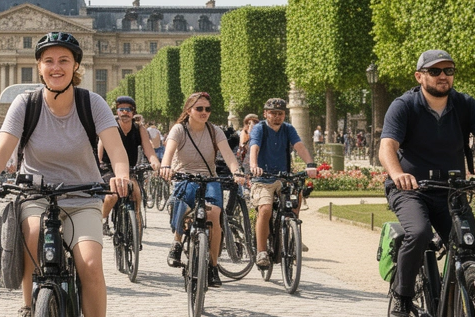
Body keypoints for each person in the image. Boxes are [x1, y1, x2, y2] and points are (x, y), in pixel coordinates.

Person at [0, 32, 130, 317]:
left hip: (82, 196)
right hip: (37, 193)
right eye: (49, 61)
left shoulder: (92, 104)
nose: (56, 67)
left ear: (75, 66)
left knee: (90, 265)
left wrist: (121, 175)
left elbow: (115, 149)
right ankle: (29, 309)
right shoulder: (25, 104)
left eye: (63, 61)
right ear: (39, 67)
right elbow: (4, 147)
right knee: (32, 233)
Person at [380, 50, 475, 317]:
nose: (443, 76)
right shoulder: (404, 105)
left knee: (470, 252)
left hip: (452, 190)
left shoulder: (465, 104)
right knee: (418, 232)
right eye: (435, 71)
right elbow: (387, 146)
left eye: (449, 70)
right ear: (419, 76)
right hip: (411, 188)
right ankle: (401, 297)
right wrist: (398, 174)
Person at [160, 92, 247, 287]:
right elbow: (169, 152)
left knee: (214, 215)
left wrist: (237, 172)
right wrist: (166, 167)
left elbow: (228, 155)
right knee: (183, 206)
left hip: (209, 178)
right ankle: (177, 242)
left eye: (207, 109)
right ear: (189, 110)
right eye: (199, 108)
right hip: (185, 176)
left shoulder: (214, 131)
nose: (204, 112)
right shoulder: (179, 129)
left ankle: (213, 266)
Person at [246, 98, 318, 268]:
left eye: (280, 113)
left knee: (296, 197)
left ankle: (293, 233)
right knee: (265, 209)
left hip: (283, 178)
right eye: (273, 113)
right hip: (263, 178)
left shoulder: (288, 128)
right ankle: (262, 251)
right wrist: (254, 166)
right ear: (265, 114)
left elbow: (299, 146)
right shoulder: (259, 128)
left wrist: (310, 164)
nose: (277, 116)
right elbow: (254, 147)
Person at [99, 95, 161, 238]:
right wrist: (99, 165)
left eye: (128, 109)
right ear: (117, 112)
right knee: (112, 195)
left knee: (137, 194)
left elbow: (149, 150)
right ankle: (100, 220)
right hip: (109, 168)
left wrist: (155, 163)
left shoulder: (139, 129)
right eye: (121, 109)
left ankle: (136, 231)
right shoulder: (110, 127)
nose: (125, 112)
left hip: (130, 169)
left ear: (133, 112)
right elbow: (100, 151)